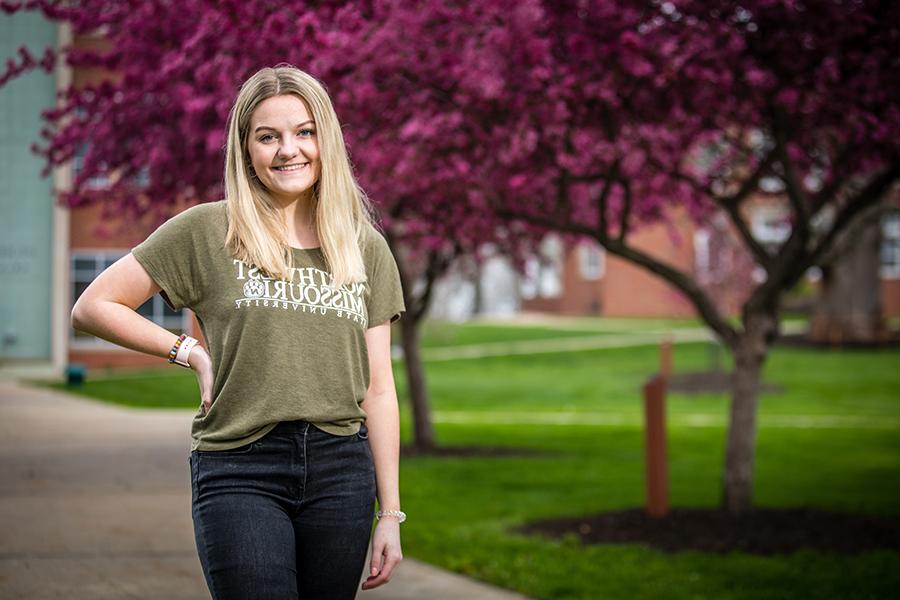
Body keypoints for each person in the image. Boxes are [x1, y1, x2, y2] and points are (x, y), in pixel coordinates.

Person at [70, 64, 406, 599]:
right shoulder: (208, 230)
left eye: (304, 132)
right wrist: (188, 351)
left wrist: (389, 513)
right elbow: (93, 306)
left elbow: (380, 388)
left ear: (327, 140)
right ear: (245, 150)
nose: (287, 150)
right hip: (240, 468)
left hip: (341, 471)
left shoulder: (362, 247)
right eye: (267, 137)